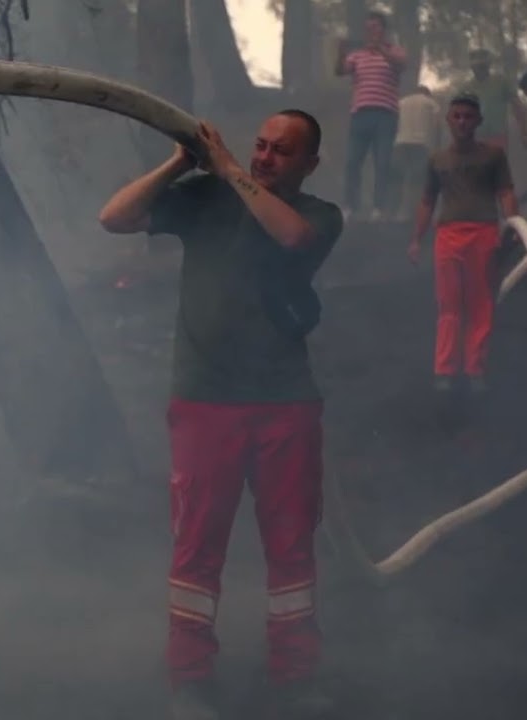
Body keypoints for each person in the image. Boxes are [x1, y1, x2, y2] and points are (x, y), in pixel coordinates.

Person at [98, 111, 344, 720]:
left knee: (291, 544)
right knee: (198, 544)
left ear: (310, 164)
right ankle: (190, 680)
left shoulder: (319, 214)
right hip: (206, 398)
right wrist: (179, 162)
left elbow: (292, 239)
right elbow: (114, 218)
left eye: (281, 151)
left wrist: (232, 169)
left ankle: (295, 677)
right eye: (260, 145)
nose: (265, 157)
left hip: (285, 401)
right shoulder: (204, 198)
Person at [408, 93, 518, 395]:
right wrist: (416, 239)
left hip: (483, 232)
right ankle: (444, 370)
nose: (462, 122)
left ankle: (475, 371)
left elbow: (506, 192)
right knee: (449, 304)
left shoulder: (493, 155)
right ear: (448, 120)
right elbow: (427, 201)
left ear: (478, 121)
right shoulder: (437, 159)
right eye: (456, 116)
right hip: (448, 234)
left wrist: (512, 225)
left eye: (468, 117)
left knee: (480, 304)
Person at [334, 10, 406, 221]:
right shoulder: (358, 55)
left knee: (382, 163)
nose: (371, 32)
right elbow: (339, 71)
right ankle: (350, 206)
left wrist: (380, 49)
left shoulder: (395, 51)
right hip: (360, 114)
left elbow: (401, 64)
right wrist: (341, 52)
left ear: (384, 30)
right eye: (368, 28)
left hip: (386, 115)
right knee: (352, 162)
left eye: (375, 27)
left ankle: (378, 207)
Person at [459, 48, 527, 150]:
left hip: (497, 137)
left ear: (488, 65)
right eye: (476, 66)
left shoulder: (501, 82)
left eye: (482, 65)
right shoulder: (466, 88)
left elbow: (517, 106)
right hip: (474, 138)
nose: (479, 69)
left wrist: (524, 132)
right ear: (472, 67)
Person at [390, 85, 442, 221]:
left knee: (398, 178)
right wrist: (437, 147)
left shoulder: (401, 102)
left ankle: (395, 212)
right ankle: (413, 212)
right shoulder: (431, 103)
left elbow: (393, 123)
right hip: (421, 145)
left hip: (400, 144)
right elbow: (437, 125)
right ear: (427, 93)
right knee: (417, 179)